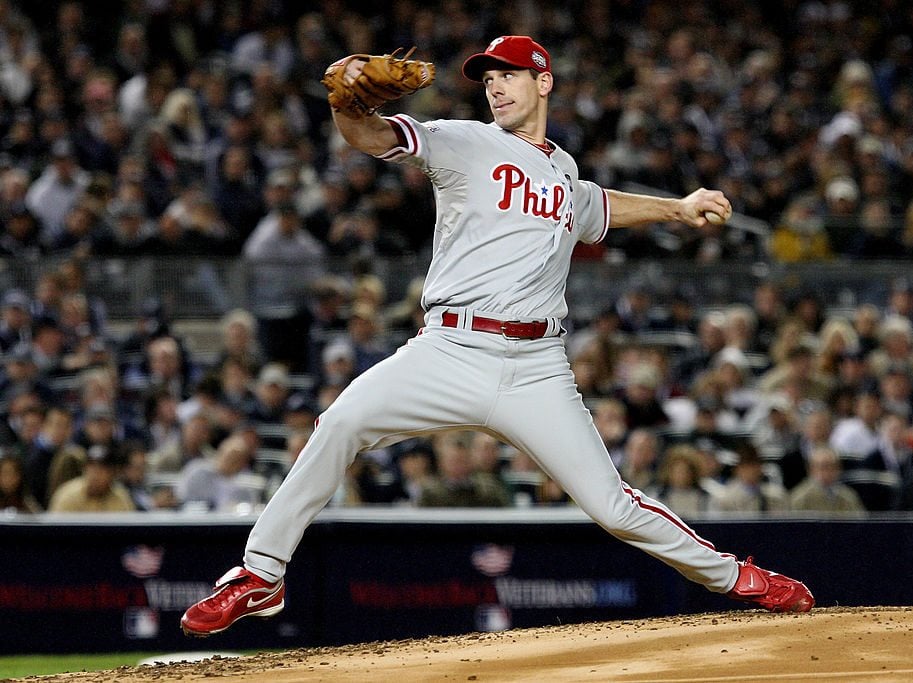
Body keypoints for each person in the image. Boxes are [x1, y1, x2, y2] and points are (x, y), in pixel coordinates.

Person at [181, 35, 813, 636]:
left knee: (614, 508)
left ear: (544, 81)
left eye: (508, 74)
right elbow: (374, 136)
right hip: (448, 350)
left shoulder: (563, 171)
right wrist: (348, 102)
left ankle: (739, 578)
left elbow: (596, 205)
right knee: (339, 424)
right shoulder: (465, 143)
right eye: (488, 78)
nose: (496, 87)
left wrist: (676, 207)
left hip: (537, 366)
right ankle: (262, 574)